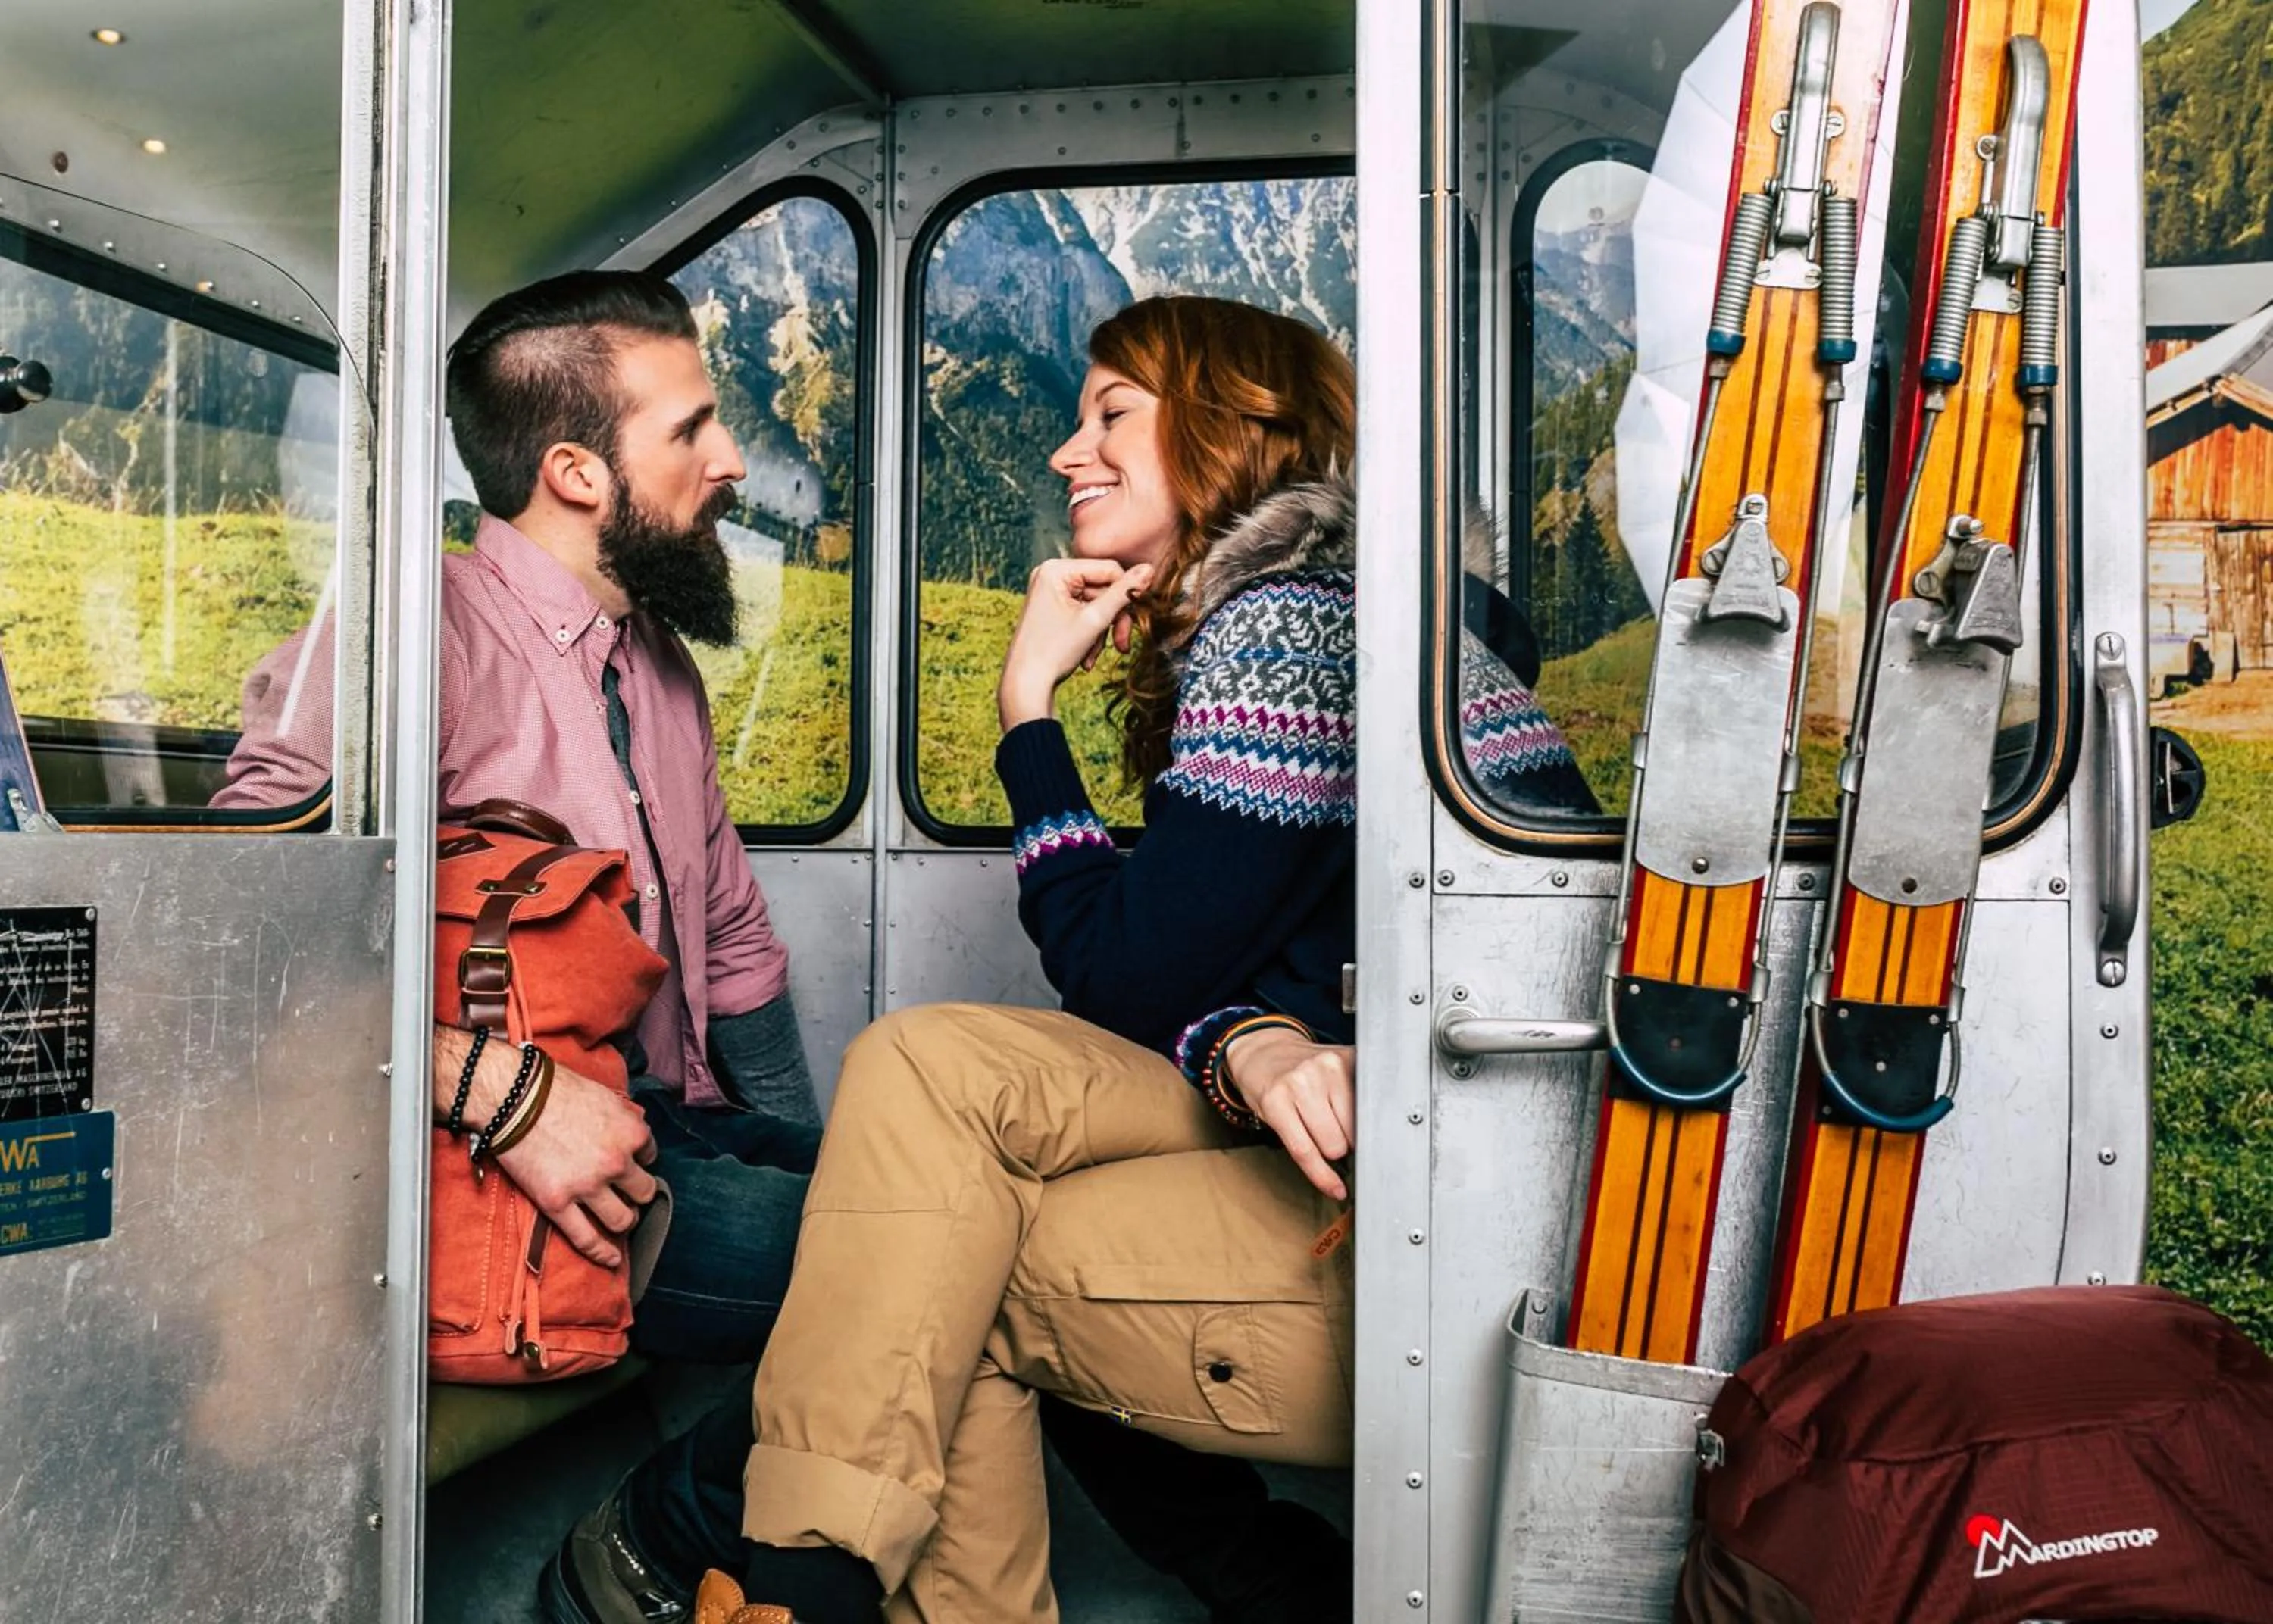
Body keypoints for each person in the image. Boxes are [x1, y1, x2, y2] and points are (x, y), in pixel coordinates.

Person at [686, 295, 1589, 1622]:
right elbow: (1245, 969)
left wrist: (1024, 711)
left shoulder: (1287, 630)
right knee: (927, 1063)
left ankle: (805, 1591)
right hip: (1379, 1132)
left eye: (1111, 412)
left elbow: (1127, 969)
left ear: (1231, 431)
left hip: (1437, 1212)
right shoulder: (1354, 612)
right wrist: (1244, 1036)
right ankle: (830, 1584)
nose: (1068, 450)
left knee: (954, 1249)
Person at [214, 270, 824, 1617]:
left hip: (674, 1124)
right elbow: (235, 948)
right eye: (694, 429)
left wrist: (793, 1146)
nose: (733, 463)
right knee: (919, 1266)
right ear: (576, 472)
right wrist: (495, 1092)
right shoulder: (401, 639)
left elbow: (729, 938)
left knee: (926, 1211)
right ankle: (638, 1558)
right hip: (504, 1170)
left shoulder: (657, 662)